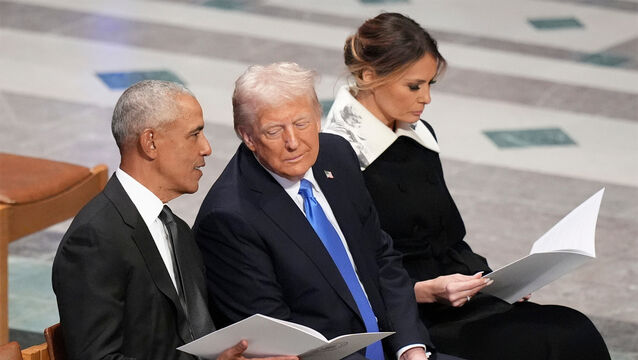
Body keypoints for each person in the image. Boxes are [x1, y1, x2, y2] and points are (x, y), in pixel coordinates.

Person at [323, 12, 611, 360]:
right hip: (409, 319)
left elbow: (446, 237)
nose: (426, 98)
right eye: (415, 86)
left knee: (573, 327)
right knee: (549, 342)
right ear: (369, 76)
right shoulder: (337, 158)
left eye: (430, 84)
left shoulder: (420, 135)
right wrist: (426, 291)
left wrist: (497, 280)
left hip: (460, 297)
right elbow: (346, 275)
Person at [194, 63, 464, 360]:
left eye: (302, 123)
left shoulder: (336, 154)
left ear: (318, 117)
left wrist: (411, 349)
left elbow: (381, 258)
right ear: (247, 136)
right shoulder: (229, 219)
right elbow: (282, 340)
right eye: (274, 131)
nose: (293, 143)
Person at [52, 80, 298, 360]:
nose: (206, 148)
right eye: (194, 135)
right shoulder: (94, 239)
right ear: (151, 142)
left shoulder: (175, 227)